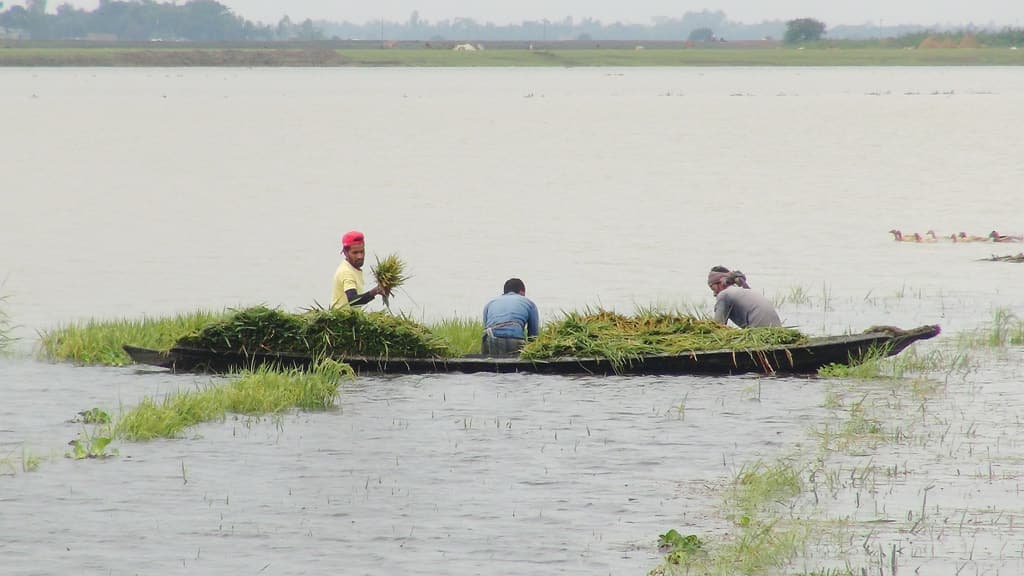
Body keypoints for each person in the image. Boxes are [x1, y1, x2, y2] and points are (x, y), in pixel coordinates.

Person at [707, 266, 782, 328]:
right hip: (776, 331)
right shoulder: (742, 291)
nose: (714, 294)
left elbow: (718, 326)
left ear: (720, 283)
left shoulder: (724, 295)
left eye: (713, 288)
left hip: (761, 333)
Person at [482, 278, 540, 356]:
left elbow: (486, 327)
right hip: (515, 342)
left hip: (489, 341)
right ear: (522, 292)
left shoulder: (490, 303)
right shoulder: (529, 303)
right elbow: (533, 336)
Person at [331, 230, 382, 308]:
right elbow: (353, 301)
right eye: (355, 253)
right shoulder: (346, 272)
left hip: (351, 316)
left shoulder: (352, 268)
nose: (360, 256)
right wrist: (376, 291)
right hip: (343, 319)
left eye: (362, 252)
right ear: (345, 252)